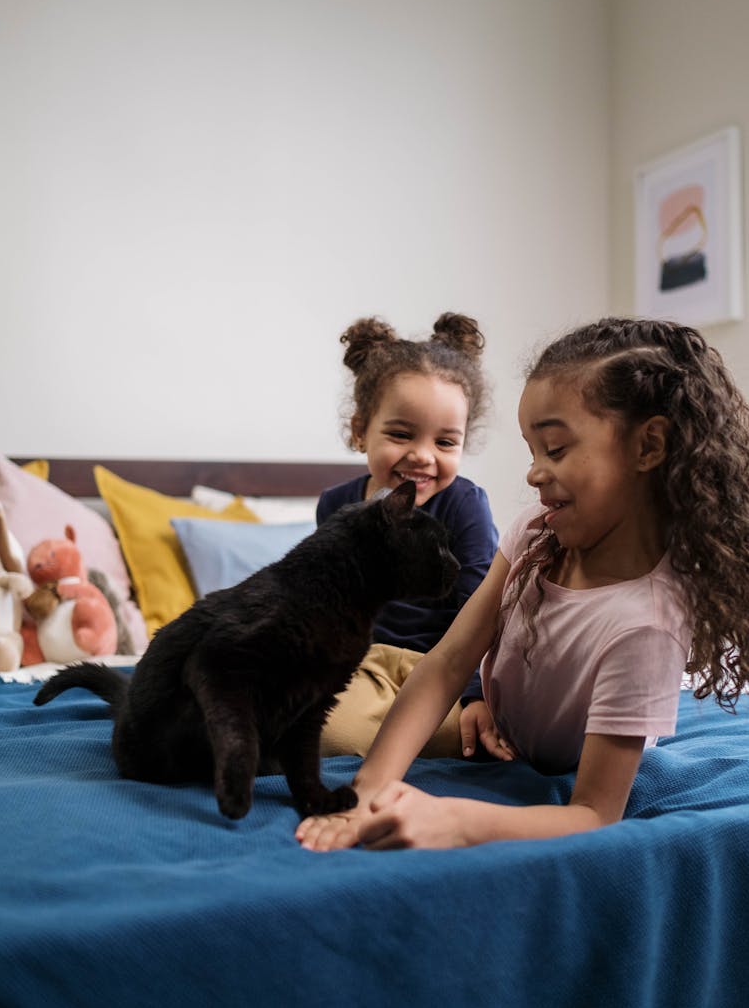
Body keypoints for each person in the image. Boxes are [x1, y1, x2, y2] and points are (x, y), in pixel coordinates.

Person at [298, 316, 749, 851]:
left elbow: (594, 815)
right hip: (492, 721)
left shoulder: (646, 624)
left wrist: (455, 820)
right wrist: (370, 787)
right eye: (532, 451)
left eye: (554, 449)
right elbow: (448, 661)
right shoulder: (536, 533)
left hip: (548, 754)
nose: (533, 473)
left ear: (648, 447)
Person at [317, 312, 498, 758]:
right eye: (401, 434)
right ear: (361, 431)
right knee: (328, 734)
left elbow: (481, 611)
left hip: (442, 668)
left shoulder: (465, 505)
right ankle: (393, 739)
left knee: (489, 733)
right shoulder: (336, 506)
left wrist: (477, 694)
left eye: (444, 443)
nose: (421, 456)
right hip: (362, 667)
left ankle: (405, 738)